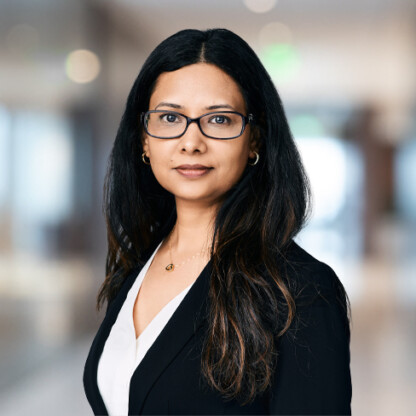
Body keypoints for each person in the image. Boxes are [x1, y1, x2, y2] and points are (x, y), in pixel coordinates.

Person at [83, 28, 352, 415]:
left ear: (255, 140)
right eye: (170, 117)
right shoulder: (136, 265)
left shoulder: (301, 291)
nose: (191, 142)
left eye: (220, 120)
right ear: (144, 139)